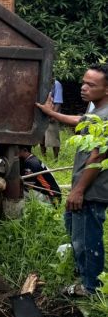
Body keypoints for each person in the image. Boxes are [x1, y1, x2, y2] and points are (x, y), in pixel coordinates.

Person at [37, 65, 108, 297]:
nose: (83, 88)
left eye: (91, 85)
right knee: (76, 232)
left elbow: (98, 157)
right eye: (83, 82)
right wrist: (52, 114)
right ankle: (84, 279)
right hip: (84, 187)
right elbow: (80, 120)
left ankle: (90, 288)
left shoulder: (106, 116)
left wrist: (77, 190)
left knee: (87, 238)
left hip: (92, 189)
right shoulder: (97, 112)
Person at [40, 79, 64, 159]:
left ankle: (56, 158)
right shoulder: (42, 81)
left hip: (53, 111)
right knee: (42, 136)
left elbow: (58, 101)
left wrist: (54, 115)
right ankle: (44, 156)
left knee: (54, 136)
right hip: (42, 112)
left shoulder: (56, 84)